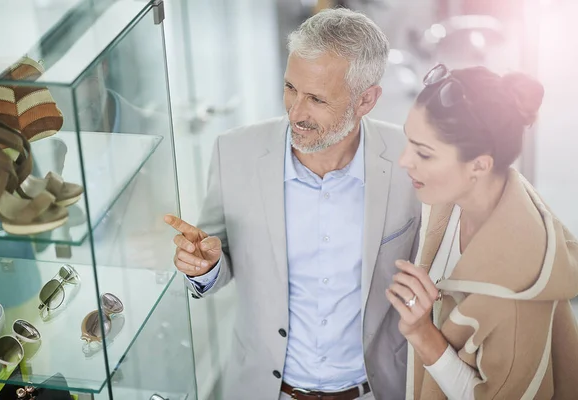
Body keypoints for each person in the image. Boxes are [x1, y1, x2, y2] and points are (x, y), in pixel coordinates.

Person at [164, 8, 421, 400]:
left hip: (376, 390)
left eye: (317, 99)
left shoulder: (410, 162)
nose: (295, 112)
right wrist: (206, 265)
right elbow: (216, 252)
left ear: (366, 100)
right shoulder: (234, 152)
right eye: (290, 88)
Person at [390, 63, 578, 399]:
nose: (405, 160)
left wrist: (421, 332)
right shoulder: (454, 196)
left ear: (479, 164)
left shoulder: (519, 291)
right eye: (409, 141)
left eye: (424, 153)